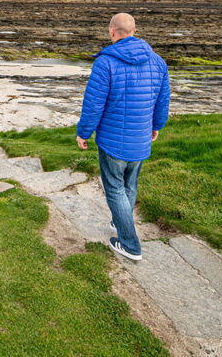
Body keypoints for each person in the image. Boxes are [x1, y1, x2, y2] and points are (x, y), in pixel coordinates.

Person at [76, 13, 170, 261]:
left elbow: (93, 103)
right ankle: (121, 221)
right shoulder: (157, 61)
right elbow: (162, 100)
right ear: (134, 30)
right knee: (129, 185)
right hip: (140, 137)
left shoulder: (105, 63)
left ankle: (129, 244)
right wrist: (157, 125)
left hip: (112, 140)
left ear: (112, 32)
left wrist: (83, 133)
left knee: (115, 189)